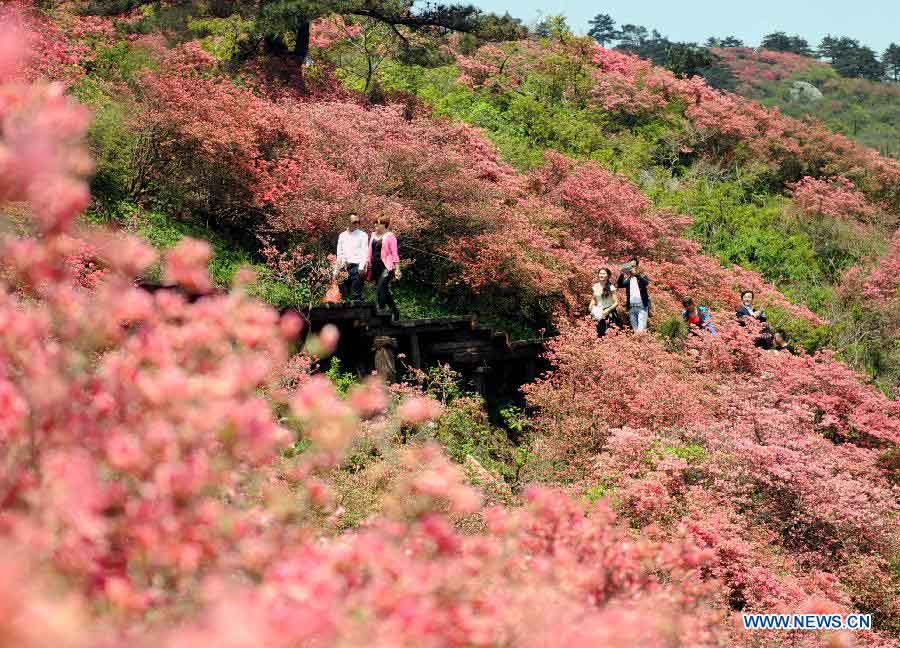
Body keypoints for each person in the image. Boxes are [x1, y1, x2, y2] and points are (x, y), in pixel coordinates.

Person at [367, 215, 401, 321]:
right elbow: (369, 251)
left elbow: (395, 254)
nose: (375, 225)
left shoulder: (390, 236)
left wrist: (398, 269)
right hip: (375, 267)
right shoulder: (373, 235)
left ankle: (381, 316)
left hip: (386, 267)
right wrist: (367, 264)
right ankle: (395, 312)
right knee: (384, 291)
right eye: (375, 222)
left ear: (384, 224)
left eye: (378, 223)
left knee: (381, 291)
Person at [334, 213, 368, 303]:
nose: (357, 224)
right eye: (354, 222)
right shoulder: (342, 235)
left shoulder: (362, 235)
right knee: (343, 296)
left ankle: (358, 315)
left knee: (356, 295)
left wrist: (361, 267)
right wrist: (336, 271)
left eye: (358, 222)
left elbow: (365, 252)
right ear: (347, 222)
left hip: (356, 267)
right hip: (343, 268)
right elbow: (339, 254)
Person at [617, 261, 651, 332]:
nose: (631, 268)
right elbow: (620, 285)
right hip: (632, 308)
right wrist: (621, 273)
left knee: (641, 330)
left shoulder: (642, 276)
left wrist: (636, 274)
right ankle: (639, 342)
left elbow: (646, 282)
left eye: (633, 266)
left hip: (642, 307)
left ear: (637, 266)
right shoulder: (628, 279)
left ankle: (642, 342)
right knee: (635, 330)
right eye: (630, 266)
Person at [590, 267, 619, 337]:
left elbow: (616, 303)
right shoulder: (595, 286)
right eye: (600, 273)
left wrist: (608, 310)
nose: (601, 275)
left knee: (608, 335)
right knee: (598, 334)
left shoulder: (611, 287)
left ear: (608, 276)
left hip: (609, 314)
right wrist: (591, 306)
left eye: (603, 273)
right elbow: (594, 299)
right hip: (598, 313)